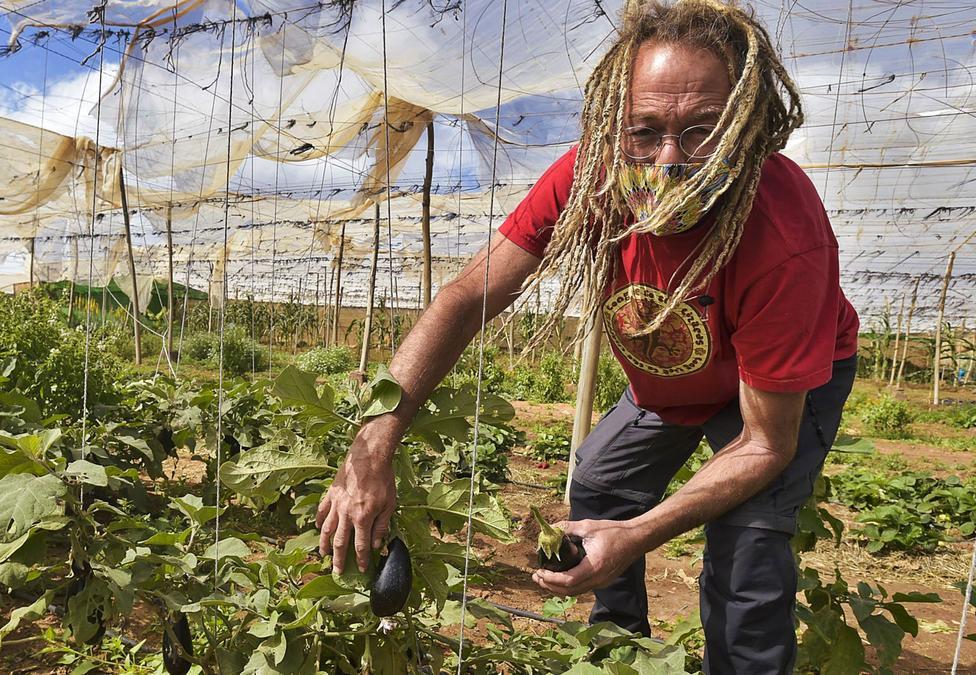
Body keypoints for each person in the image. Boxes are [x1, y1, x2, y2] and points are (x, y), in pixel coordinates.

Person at [315, 0, 859, 671]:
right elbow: (464, 300)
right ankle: (618, 649)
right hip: (671, 385)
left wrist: (634, 536)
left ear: (744, 129)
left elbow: (765, 442)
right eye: (644, 131)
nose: (667, 162)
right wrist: (372, 444)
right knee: (598, 478)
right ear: (614, 124)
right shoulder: (590, 176)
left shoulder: (783, 237)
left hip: (776, 395)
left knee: (747, 546)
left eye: (701, 132)